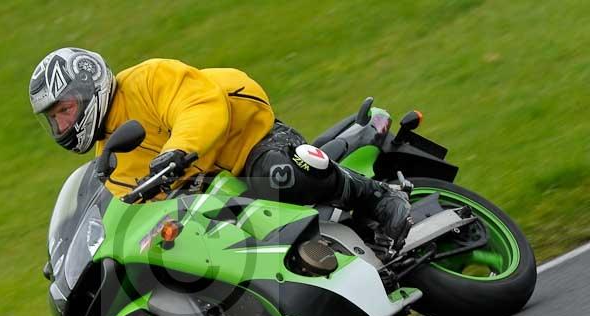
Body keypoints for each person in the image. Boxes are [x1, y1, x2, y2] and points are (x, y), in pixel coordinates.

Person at [29, 47, 412, 254]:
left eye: (65, 110)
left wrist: (180, 149)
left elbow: (199, 106)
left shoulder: (145, 80)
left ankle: (380, 199)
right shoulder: (110, 157)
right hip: (212, 189)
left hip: (244, 136)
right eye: (54, 118)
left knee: (280, 174)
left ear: (88, 89)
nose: (62, 125)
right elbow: (136, 205)